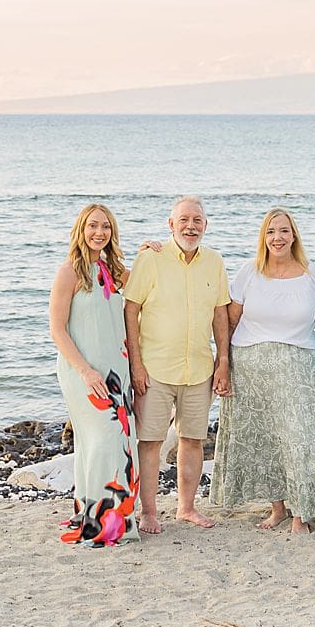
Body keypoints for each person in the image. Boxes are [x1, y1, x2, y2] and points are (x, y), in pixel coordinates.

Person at [211, 207, 315, 534]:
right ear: (263, 238)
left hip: (299, 365)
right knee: (266, 440)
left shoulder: (314, 274)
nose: (277, 238)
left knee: (301, 438)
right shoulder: (249, 272)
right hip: (251, 367)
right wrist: (222, 363)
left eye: (283, 231)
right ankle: (278, 508)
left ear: (293, 235)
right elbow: (230, 320)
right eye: (270, 232)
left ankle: (302, 513)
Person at [123, 196, 231, 534]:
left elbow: (219, 314)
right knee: (151, 441)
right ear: (171, 224)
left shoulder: (214, 261)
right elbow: (131, 310)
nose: (191, 226)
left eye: (197, 220)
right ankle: (150, 513)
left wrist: (223, 360)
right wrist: (136, 365)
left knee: (193, 440)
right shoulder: (150, 259)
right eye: (184, 219)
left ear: (205, 226)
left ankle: (186, 508)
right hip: (155, 368)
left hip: (198, 368)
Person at [49, 202, 140, 546]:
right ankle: (103, 523)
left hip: (117, 371)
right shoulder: (69, 272)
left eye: (105, 227)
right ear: (81, 230)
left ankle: (100, 514)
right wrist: (85, 371)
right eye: (93, 226)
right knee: (103, 439)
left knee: (113, 442)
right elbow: (57, 329)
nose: (99, 232)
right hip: (82, 371)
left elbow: (150, 284)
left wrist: (151, 251)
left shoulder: (114, 271)